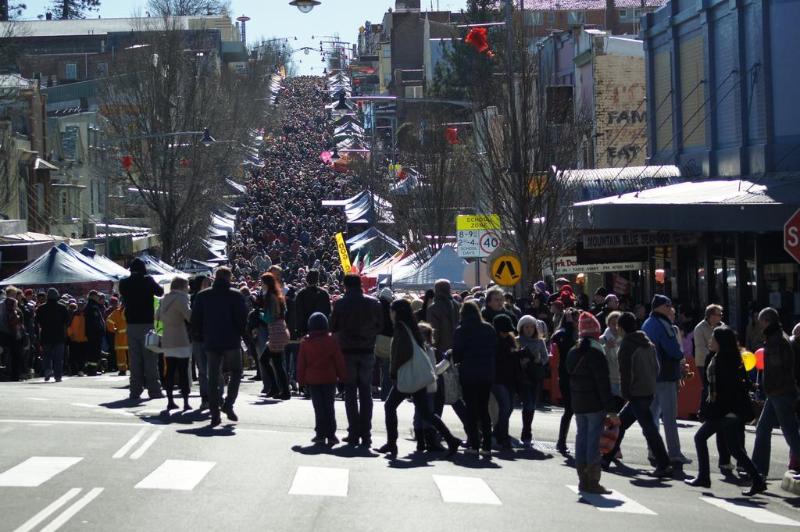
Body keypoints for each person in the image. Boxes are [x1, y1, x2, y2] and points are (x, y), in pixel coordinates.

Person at [685, 326, 767, 495]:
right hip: (728, 410)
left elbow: (726, 391)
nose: (710, 341)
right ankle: (757, 481)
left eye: (713, 339)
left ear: (721, 342)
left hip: (726, 410)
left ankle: (704, 477)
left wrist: (714, 411)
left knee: (700, 438)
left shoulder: (723, 361)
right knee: (735, 449)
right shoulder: (724, 358)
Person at [377, 299, 460, 457]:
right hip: (419, 377)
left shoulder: (401, 329)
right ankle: (450, 439)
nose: (390, 314)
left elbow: (400, 354)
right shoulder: (412, 328)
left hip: (408, 376)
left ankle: (392, 443)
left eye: (391, 311)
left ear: (396, 312)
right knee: (426, 412)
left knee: (389, 407)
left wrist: (394, 373)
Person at [600, 312, 673, 477]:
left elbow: (625, 373)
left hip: (635, 392)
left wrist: (626, 393)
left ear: (621, 327)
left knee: (647, 428)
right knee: (621, 423)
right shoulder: (647, 343)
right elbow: (657, 368)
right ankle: (606, 458)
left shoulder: (627, 345)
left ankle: (664, 464)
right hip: (648, 390)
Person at [567, 312, 618, 494]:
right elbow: (603, 383)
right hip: (595, 403)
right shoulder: (597, 352)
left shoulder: (573, 352)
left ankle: (582, 479)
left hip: (578, 402)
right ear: (596, 332)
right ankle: (593, 481)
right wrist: (611, 409)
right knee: (593, 442)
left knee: (581, 438)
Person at [191, 267, 248, 427]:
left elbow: (195, 320)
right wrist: (240, 333)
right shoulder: (236, 295)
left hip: (211, 340)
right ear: (228, 278)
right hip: (231, 340)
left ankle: (215, 412)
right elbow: (242, 318)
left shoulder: (203, 296)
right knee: (236, 372)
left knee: (213, 376)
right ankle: (229, 404)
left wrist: (200, 335)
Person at [330, 274, 382, 447]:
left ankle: (353, 432)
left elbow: (333, 326)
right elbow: (380, 325)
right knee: (366, 392)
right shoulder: (373, 303)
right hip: (367, 349)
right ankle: (366, 433)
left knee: (350, 392)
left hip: (347, 351)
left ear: (345, 286)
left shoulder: (340, 304)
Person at [751, 307, 800, 478]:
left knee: (790, 433)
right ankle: (758, 470)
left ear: (766, 322)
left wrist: (770, 388)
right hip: (777, 392)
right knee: (763, 429)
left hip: (780, 392)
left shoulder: (776, 340)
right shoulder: (779, 337)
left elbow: (777, 368)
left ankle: (758, 469)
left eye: (761, 322)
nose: (759, 325)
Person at [642, 294, 691, 465]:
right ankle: (674, 453)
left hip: (651, 375)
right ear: (662, 307)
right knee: (669, 417)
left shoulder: (647, 324)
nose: (671, 309)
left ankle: (653, 450)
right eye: (669, 306)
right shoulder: (663, 324)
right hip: (666, 374)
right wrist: (680, 358)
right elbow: (673, 350)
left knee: (653, 415)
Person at [452, 301, 497, 456]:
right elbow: (494, 349)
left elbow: (457, 354)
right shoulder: (489, 328)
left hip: (468, 372)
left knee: (471, 409)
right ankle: (487, 445)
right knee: (484, 409)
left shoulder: (461, 330)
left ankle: (474, 443)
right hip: (486, 372)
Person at [297, 312, 347, 447]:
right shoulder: (331, 340)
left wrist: (300, 382)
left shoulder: (305, 342)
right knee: (329, 407)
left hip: (313, 380)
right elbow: (339, 361)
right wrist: (343, 377)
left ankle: (320, 434)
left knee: (318, 407)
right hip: (329, 378)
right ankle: (331, 435)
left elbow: (301, 364)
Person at [119, 257, 165, 401]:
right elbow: (160, 292)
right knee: (150, 358)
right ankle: (154, 390)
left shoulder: (124, 283)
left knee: (135, 359)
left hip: (131, 324)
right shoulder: (148, 280)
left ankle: (135, 390)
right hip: (147, 324)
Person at [159, 277, 193, 411]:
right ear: (182, 287)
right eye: (187, 286)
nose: (188, 288)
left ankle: (170, 400)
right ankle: (185, 401)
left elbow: (157, 317)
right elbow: (189, 316)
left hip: (167, 339)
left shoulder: (163, 300)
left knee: (170, 371)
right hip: (180, 338)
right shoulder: (182, 298)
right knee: (183, 371)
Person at [517, 314, 549, 447]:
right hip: (521, 377)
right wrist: (520, 360)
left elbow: (546, 358)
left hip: (534, 376)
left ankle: (527, 431)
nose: (529, 329)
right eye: (526, 327)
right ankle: (526, 433)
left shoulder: (539, 341)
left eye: (531, 327)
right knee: (528, 404)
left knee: (531, 405)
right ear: (521, 328)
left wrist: (538, 360)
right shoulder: (517, 340)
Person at [260, 272, 291, 400]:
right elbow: (284, 311)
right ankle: (277, 388)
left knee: (274, 363)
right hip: (281, 329)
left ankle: (283, 390)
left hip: (275, 331)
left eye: (262, 282)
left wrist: (260, 315)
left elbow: (269, 317)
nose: (261, 285)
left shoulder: (270, 296)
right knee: (270, 361)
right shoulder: (277, 295)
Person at [492, 314, 521, 451]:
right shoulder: (493, 341)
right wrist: (512, 354)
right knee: (505, 407)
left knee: (508, 408)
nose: (506, 332)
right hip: (497, 379)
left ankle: (497, 433)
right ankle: (502, 437)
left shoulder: (510, 340)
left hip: (509, 378)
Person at [553, 308, 580, 453]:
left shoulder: (579, 334)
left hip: (579, 376)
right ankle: (561, 441)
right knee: (569, 409)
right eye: (575, 319)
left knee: (578, 410)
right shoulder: (563, 333)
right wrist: (569, 324)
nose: (577, 322)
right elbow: (566, 345)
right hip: (566, 376)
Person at [36, 287, 70, 382]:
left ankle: (47, 370)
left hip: (46, 335)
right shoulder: (62, 308)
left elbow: (37, 321)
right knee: (58, 358)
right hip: (59, 336)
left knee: (46, 355)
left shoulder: (41, 308)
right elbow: (67, 321)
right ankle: (58, 376)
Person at [294, 269, 331, 339]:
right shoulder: (324, 293)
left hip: (305, 330)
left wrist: (299, 330)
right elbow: (328, 311)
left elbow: (298, 314)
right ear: (317, 279)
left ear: (306, 279)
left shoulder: (301, 294)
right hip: (322, 330)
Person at [600, 311, 624, 411]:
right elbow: (597, 356)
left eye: (618, 323)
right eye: (613, 323)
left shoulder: (624, 339)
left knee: (619, 408)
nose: (615, 326)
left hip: (621, 378)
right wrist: (606, 347)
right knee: (609, 409)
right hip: (608, 378)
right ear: (608, 324)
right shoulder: (602, 339)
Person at [375, 288, 394, 401]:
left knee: (372, 368)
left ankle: (370, 391)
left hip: (374, 339)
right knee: (386, 370)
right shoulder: (392, 309)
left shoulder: (375, 306)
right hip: (388, 340)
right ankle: (385, 394)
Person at [84, 291, 106, 376]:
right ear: (93, 296)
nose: (98, 298)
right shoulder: (93, 307)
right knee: (94, 352)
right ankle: (92, 370)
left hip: (91, 333)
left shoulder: (91, 306)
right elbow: (96, 322)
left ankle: (91, 369)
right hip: (94, 334)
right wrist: (100, 331)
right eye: (97, 296)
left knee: (92, 352)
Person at [106, 298, 128, 376]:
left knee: (121, 354)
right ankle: (135, 369)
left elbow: (108, 320)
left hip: (120, 337)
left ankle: (122, 370)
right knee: (133, 354)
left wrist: (114, 329)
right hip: (131, 336)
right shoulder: (133, 311)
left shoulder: (117, 312)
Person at [67, 299, 88, 377]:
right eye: (79, 305)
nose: (80, 307)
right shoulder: (72, 314)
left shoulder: (86, 314)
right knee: (73, 356)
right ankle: (73, 371)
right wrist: (70, 335)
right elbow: (68, 326)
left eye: (82, 305)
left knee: (82, 356)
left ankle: (81, 370)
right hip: (74, 339)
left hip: (84, 339)